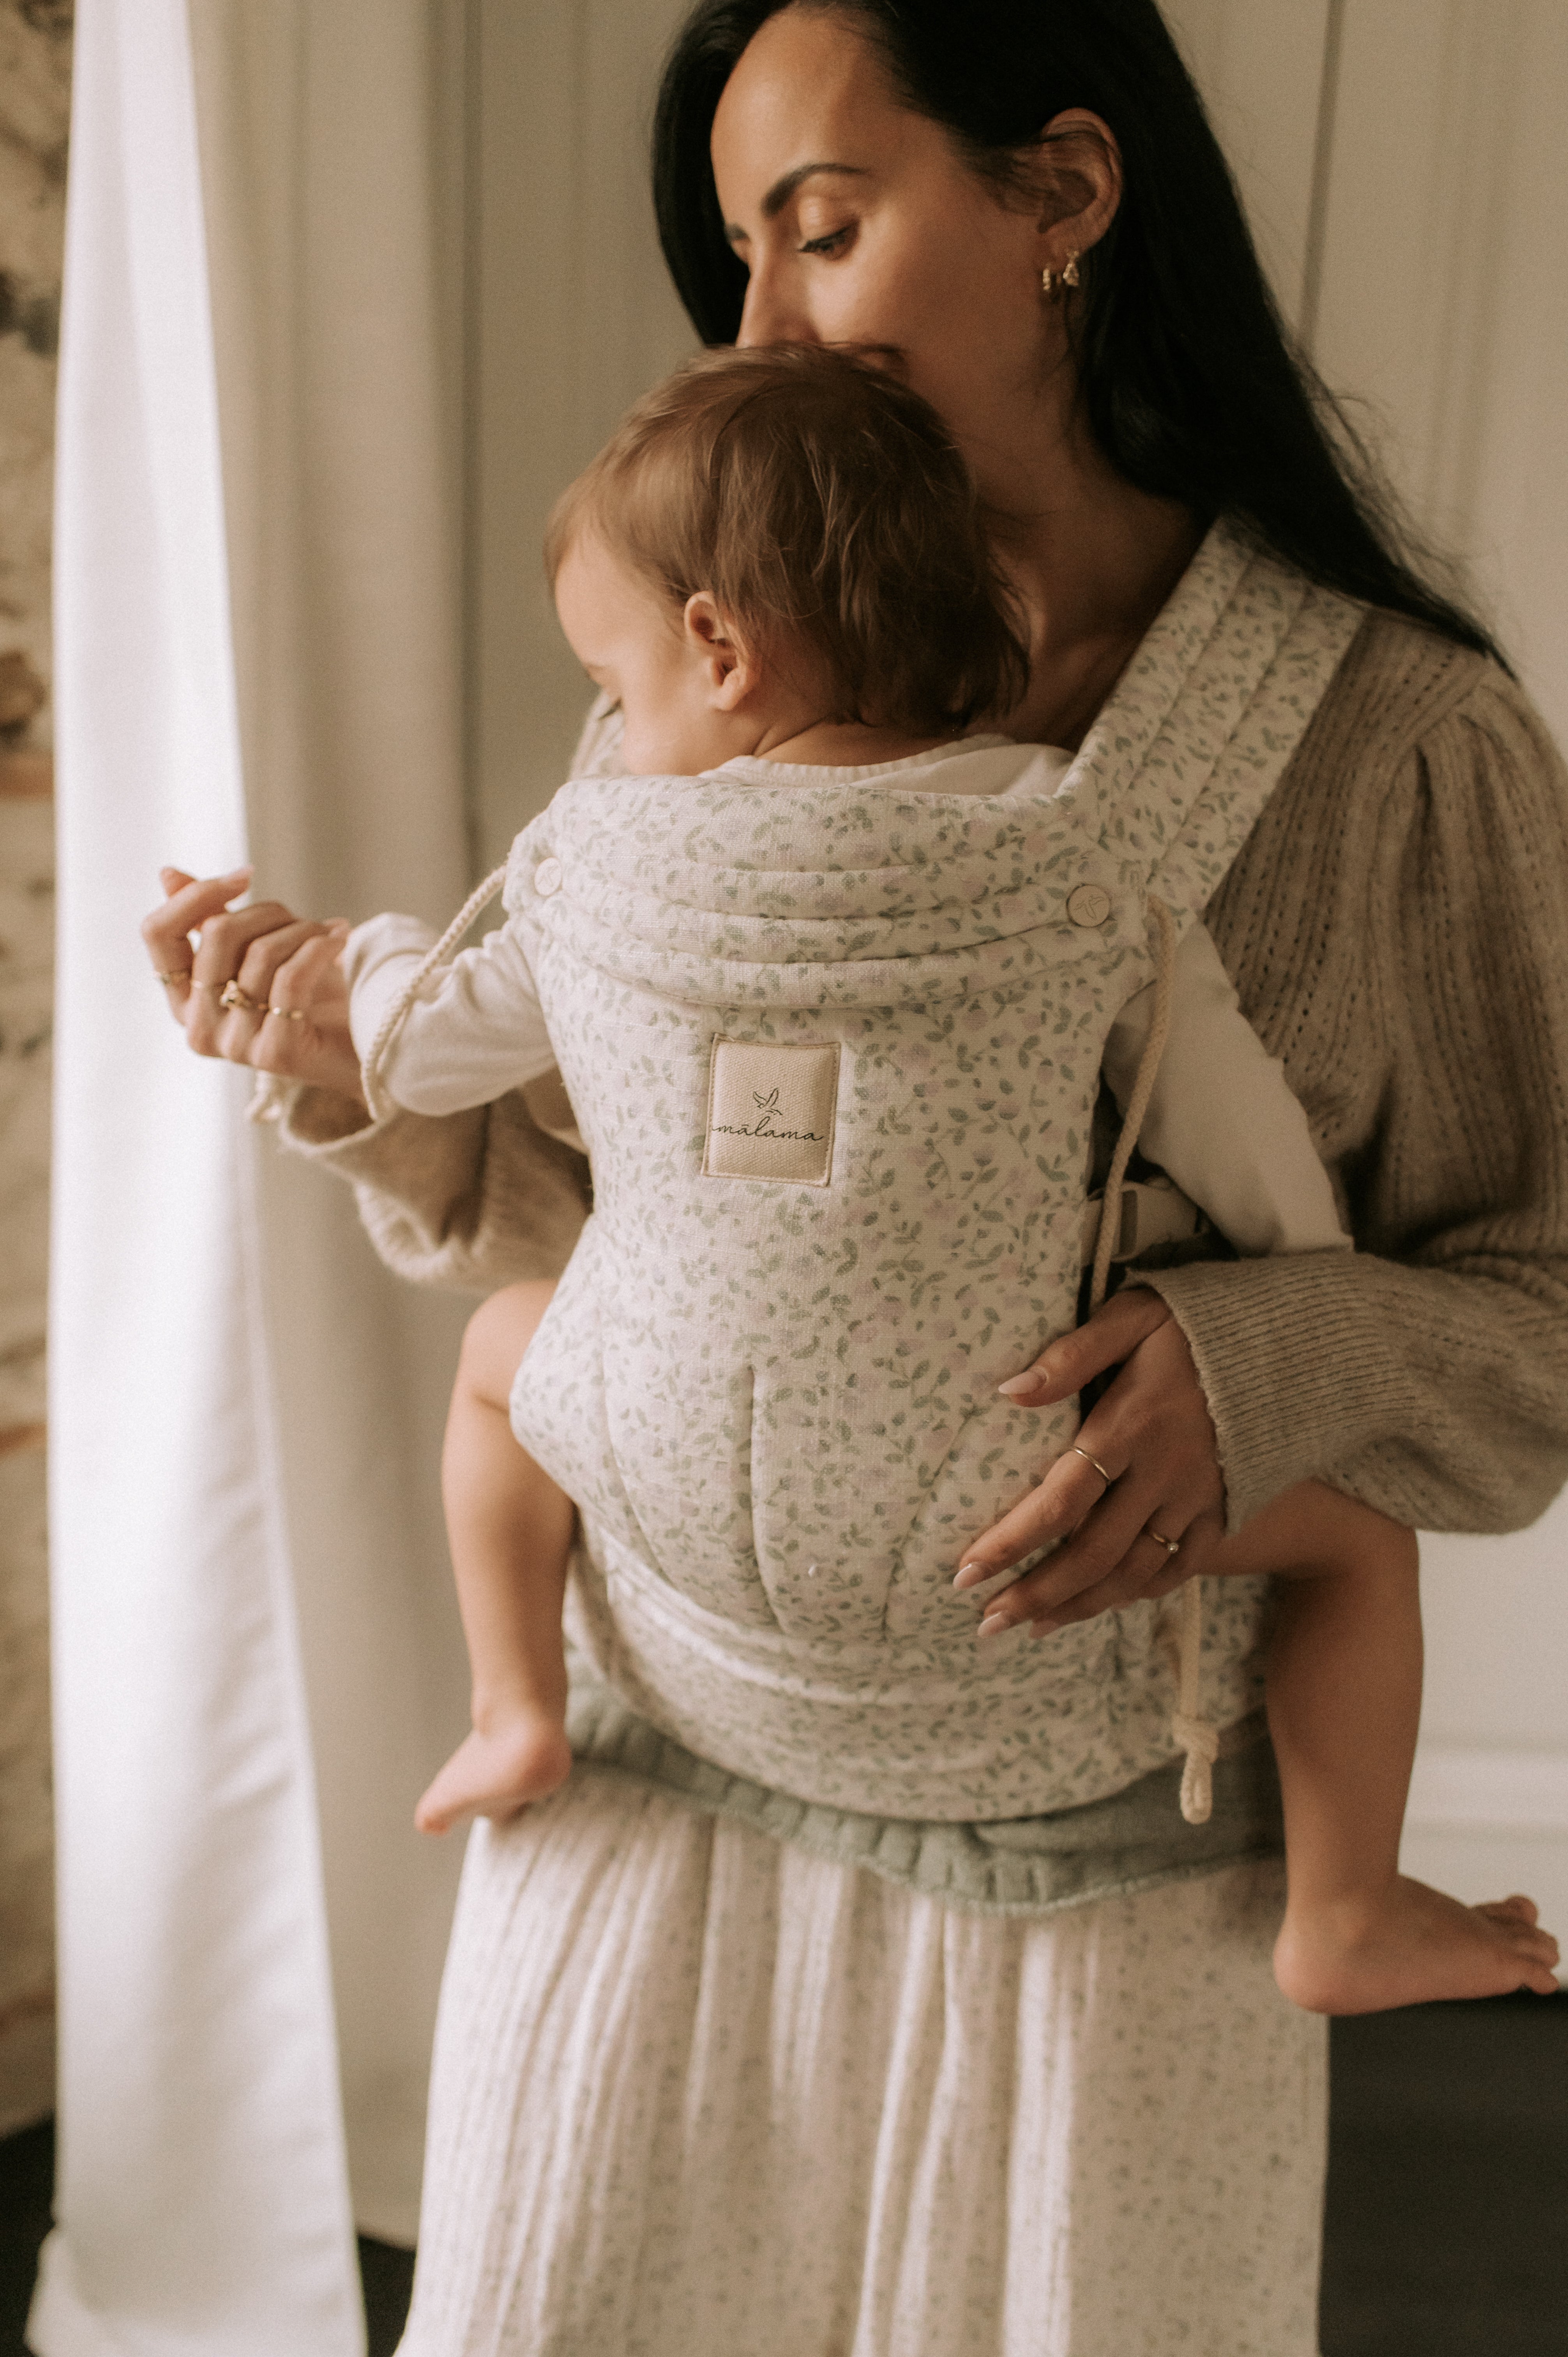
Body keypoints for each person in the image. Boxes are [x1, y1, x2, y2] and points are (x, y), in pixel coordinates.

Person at [142, 4, 1568, 2348]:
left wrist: (1258, 1358)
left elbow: (1535, 1328)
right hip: (648, 1799)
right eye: (733, 259)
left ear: (1065, 195)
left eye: (818, 228)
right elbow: (587, 1229)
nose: (763, 327)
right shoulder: (699, 695)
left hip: (1105, 1909)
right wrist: (331, 1048)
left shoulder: (1402, 752)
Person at [344, 343, 1556, 2032]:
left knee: (496, 1361)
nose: (614, 729)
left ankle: (513, 1707)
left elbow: (421, 1047)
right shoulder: (1085, 860)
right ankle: (1344, 1911)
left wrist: (344, 973)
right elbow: (1243, 1139)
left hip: (654, 1471)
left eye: (616, 686)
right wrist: (1280, 1299)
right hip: (1013, 1498)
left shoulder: (592, 861)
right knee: (1354, 1547)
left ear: (721, 649)